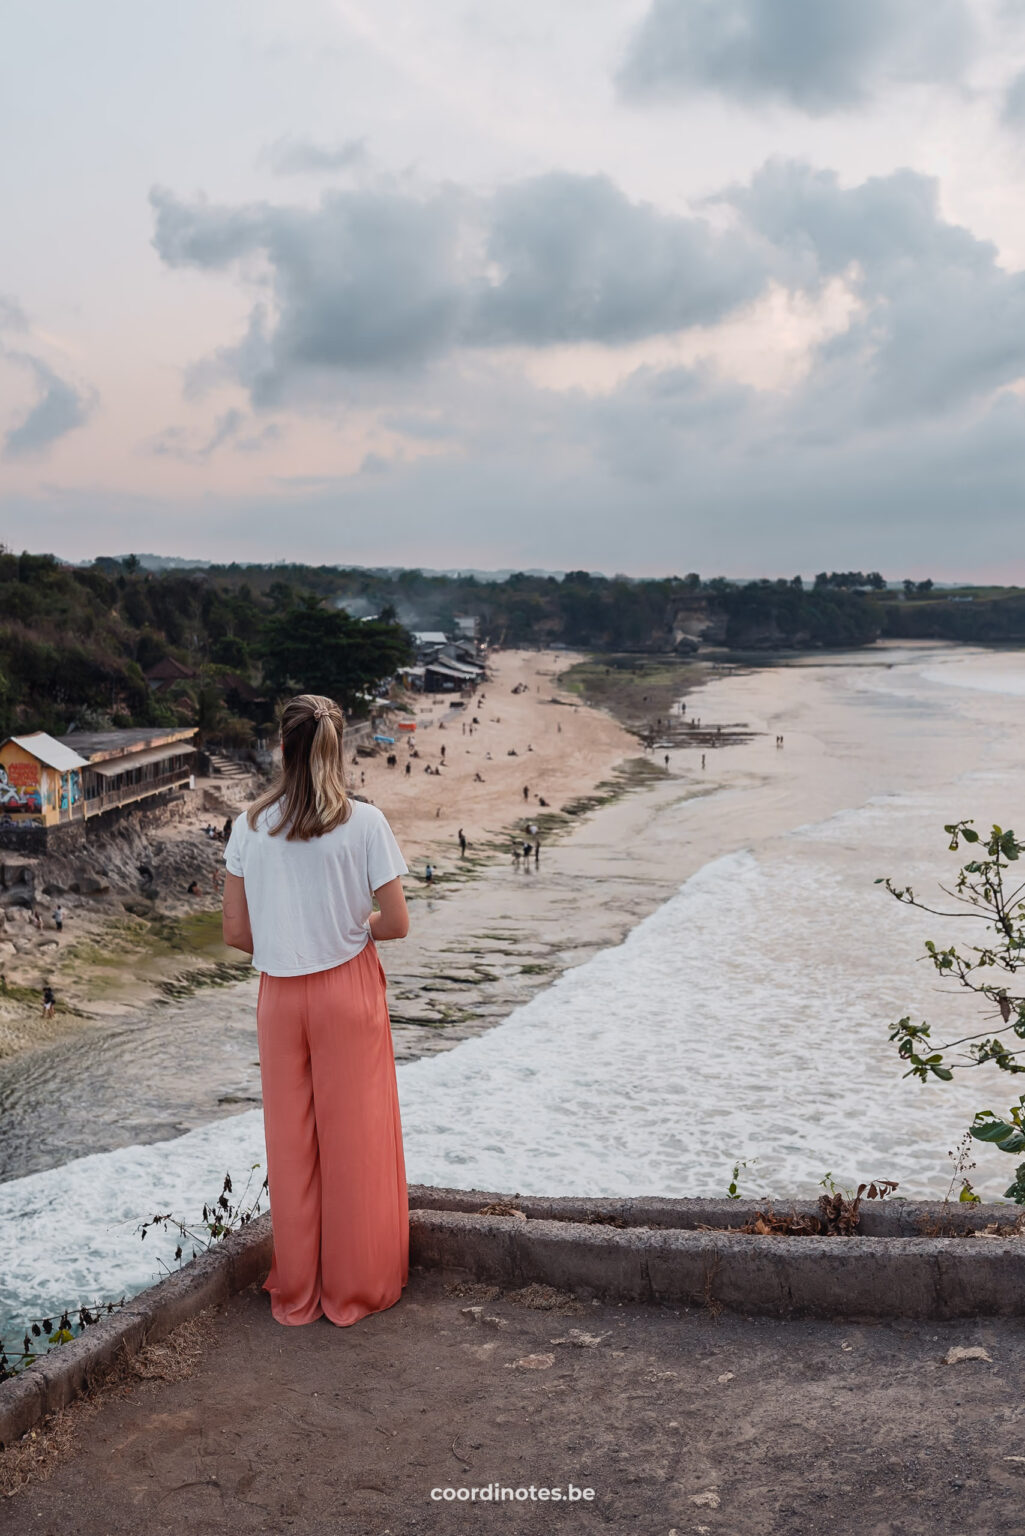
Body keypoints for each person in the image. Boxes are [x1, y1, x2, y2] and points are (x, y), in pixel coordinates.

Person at [221, 692, 410, 1330]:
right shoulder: (365, 823)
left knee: (292, 1143)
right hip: (344, 990)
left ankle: (296, 1292)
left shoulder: (247, 826)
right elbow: (398, 923)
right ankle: (354, 1289)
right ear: (337, 747)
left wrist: (287, 933)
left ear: (282, 748)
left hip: (278, 996)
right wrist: (352, 924)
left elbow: (236, 934)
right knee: (353, 1138)